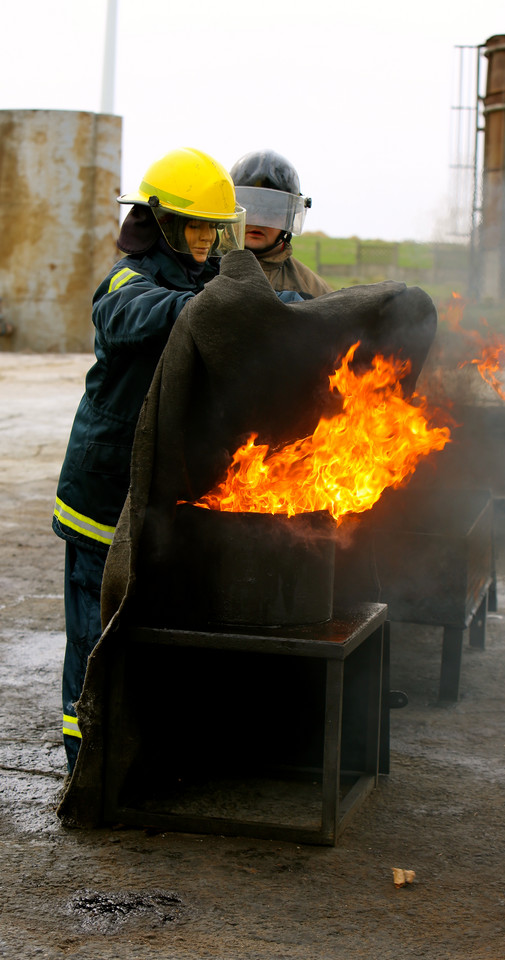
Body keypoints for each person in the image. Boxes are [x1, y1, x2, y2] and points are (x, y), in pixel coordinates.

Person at [52, 146, 247, 772]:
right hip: (102, 492)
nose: (206, 241)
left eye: (214, 229)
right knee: (94, 629)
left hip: (163, 489)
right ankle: (85, 753)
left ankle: (146, 741)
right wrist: (208, 308)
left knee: (157, 621)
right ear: (162, 222)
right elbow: (133, 316)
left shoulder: (207, 280)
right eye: (195, 226)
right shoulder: (126, 280)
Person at [229, 150, 332, 299]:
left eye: (272, 211)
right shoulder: (199, 272)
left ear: (288, 218)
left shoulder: (314, 293)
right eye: (250, 208)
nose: (258, 220)